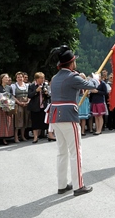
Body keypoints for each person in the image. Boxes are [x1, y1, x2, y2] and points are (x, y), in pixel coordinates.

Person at [46, 45, 99, 197]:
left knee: (61, 153)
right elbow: (91, 86)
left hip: (55, 117)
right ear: (71, 63)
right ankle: (78, 185)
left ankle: (62, 185)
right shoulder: (72, 77)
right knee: (76, 152)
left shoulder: (55, 77)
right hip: (69, 116)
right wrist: (95, 78)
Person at [28, 72, 50, 142]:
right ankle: (35, 137)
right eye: (41, 78)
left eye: (43, 78)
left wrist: (47, 93)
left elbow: (49, 96)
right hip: (35, 106)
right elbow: (29, 95)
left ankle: (48, 135)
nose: (43, 79)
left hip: (44, 106)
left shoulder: (45, 85)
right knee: (35, 122)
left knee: (45, 121)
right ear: (37, 79)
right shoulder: (31, 86)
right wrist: (36, 91)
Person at [11, 71, 29, 142]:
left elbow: (29, 95)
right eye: (18, 77)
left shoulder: (26, 85)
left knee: (25, 119)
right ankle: (16, 137)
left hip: (26, 103)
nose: (20, 78)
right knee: (18, 120)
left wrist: (27, 102)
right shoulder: (14, 86)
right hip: (18, 103)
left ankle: (23, 136)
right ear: (16, 79)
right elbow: (13, 96)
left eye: (21, 77)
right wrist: (19, 102)